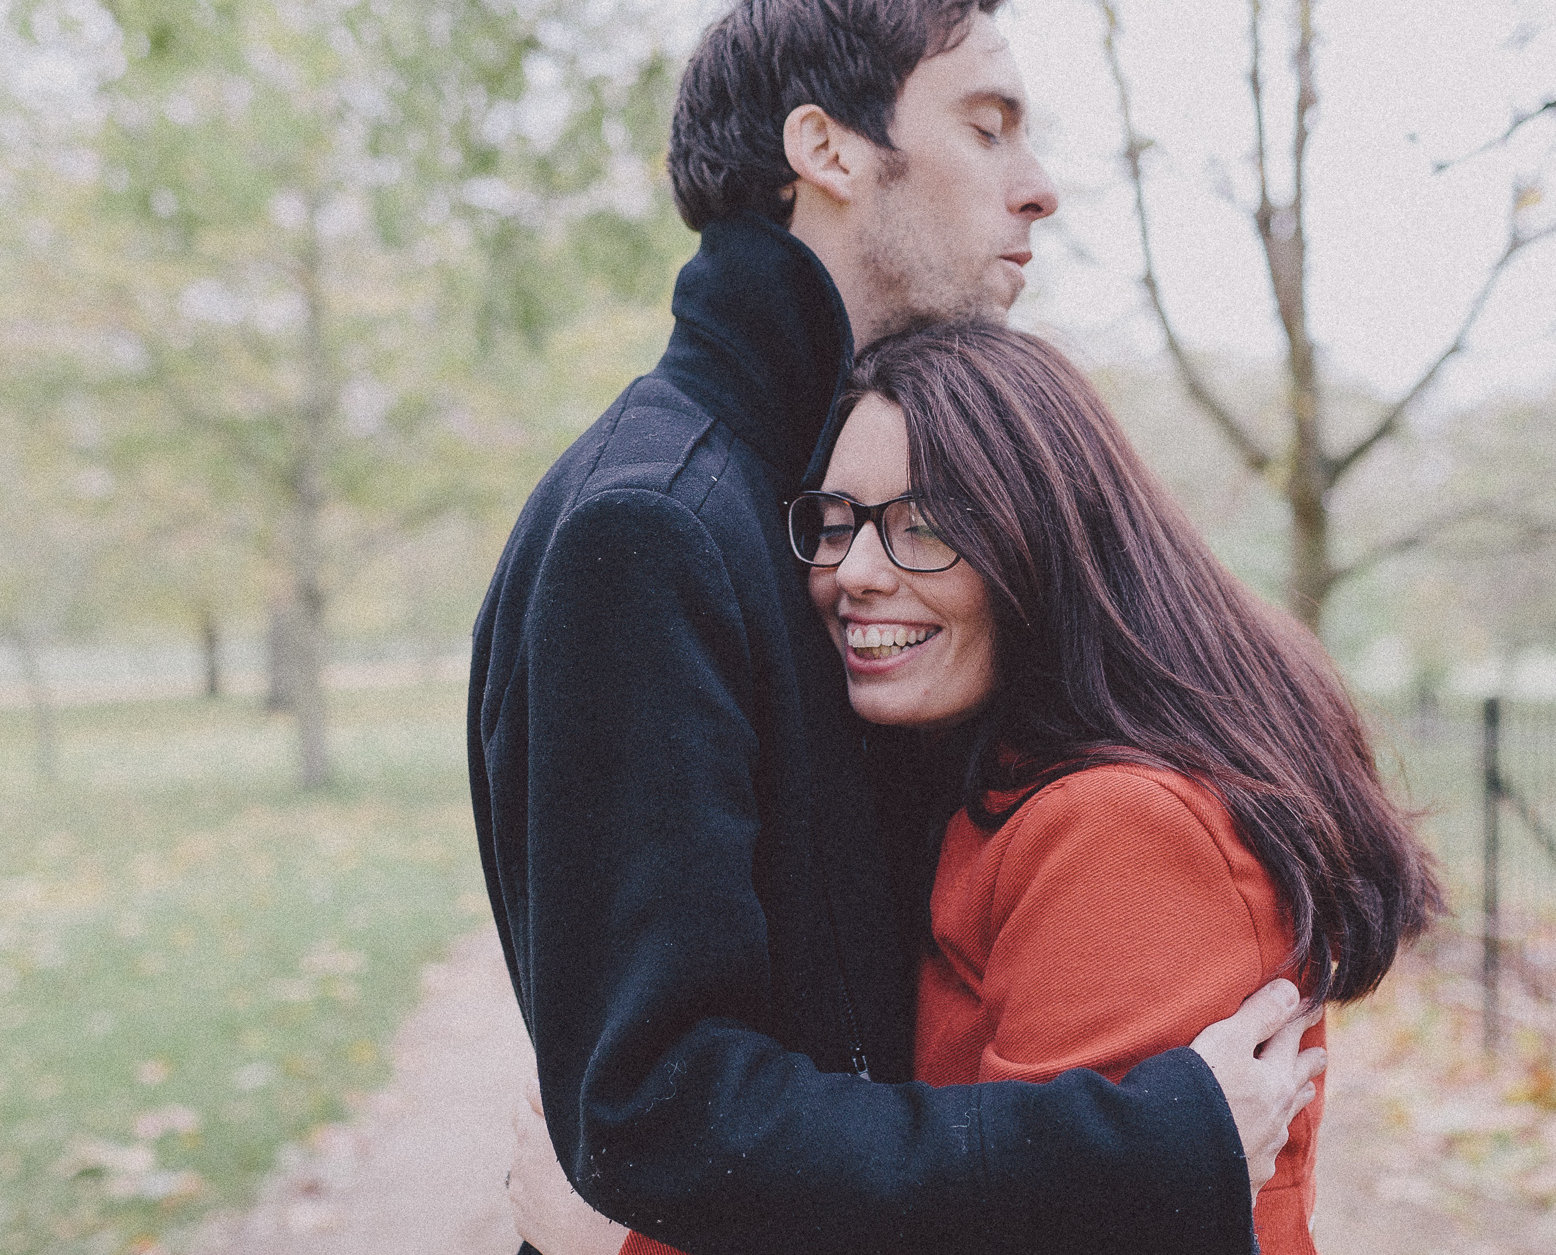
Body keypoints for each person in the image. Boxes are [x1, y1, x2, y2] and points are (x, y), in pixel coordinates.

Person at [469, 0, 1326, 1255]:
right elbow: (655, 1107)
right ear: (826, 149)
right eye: (987, 128)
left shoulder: (796, 494)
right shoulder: (657, 525)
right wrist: (1149, 1143)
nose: (1037, 190)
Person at [509, 321, 1445, 1255]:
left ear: (1045, 539)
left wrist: (613, 1246)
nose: (853, 573)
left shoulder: (1124, 825)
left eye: (924, 525)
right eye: (834, 524)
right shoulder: (996, 785)